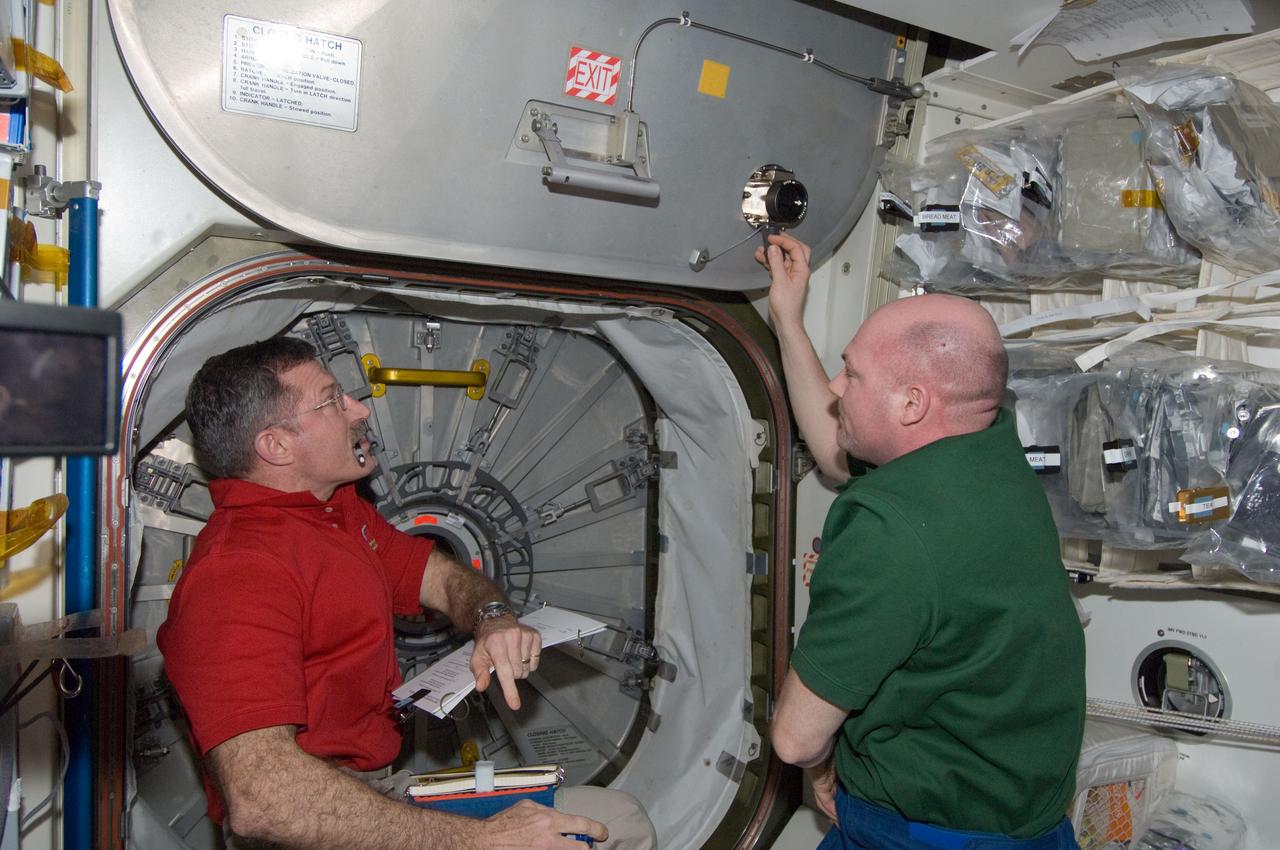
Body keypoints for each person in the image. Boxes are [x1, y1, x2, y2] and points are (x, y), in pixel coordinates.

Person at [157, 337, 657, 850]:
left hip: (374, 790)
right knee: (604, 828)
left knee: (620, 820)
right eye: (332, 401)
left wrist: (493, 619)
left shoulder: (334, 513)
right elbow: (266, 800)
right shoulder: (235, 576)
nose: (359, 408)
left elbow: (438, 576)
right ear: (277, 446)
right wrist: (482, 841)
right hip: (311, 822)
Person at [759, 233, 1086, 850]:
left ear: (912, 404)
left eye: (852, 374)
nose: (835, 387)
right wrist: (787, 319)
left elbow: (795, 740)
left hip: (925, 837)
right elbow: (835, 453)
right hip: (1027, 824)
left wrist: (823, 765)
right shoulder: (989, 440)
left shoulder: (887, 525)